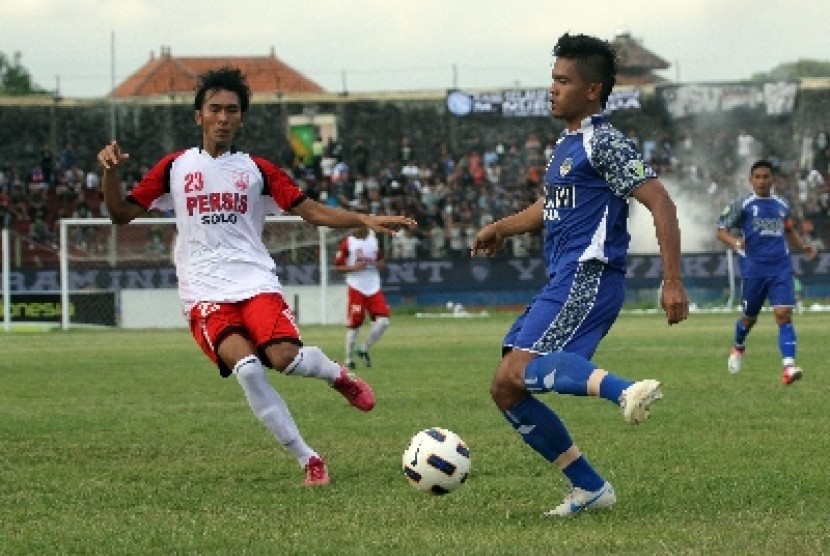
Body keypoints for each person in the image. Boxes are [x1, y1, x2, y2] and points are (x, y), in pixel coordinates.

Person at [97, 67, 416, 487]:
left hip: (254, 282)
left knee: (286, 359)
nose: (223, 117)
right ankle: (309, 460)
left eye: (232, 110)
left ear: (241, 119)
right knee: (248, 368)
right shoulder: (175, 167)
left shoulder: (257, 170)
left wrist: (363, 218)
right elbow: (120, 215)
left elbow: (312, 211)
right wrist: (110, 172)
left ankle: (338, 374)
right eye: (215, 109)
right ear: (199, 116)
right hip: (204, 290)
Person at [470, 33, 689, 517]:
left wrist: (672, 279)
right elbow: (551, 206)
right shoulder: (569, 145)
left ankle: (624, 391)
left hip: (587, 278)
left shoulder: (604, 142)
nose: (552, 88)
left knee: (521, 371)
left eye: (562, 80)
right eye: (553, 78)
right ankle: (589, 487)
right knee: (506, 386)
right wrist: (502, 228)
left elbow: (660, 200)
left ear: (592, 90)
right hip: (563, 280)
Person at [716, 159, 818, 384]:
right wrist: (736, 242)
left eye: (766, 177)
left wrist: (803, 247)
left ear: (773, 180)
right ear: (751, 179)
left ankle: (788, 367)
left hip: (780, 267)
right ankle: (738, 347)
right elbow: (720, 230)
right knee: (749, 318)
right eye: (758, 177)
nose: (762, 181)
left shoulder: (781, 205)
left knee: (783, 314)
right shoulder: (742, 203)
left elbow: (789, 230)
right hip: (753, 269)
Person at [333, 221, 390, 370]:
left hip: (373, 286)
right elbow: (338, 267)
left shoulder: (374, 239)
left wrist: (380, 264)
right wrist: (354, 267)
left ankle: (364, 348)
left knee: (383, 321)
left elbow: (381, 260)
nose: (355, 229)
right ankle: (348, 359)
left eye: (358, 225)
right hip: (356, 286)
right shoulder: (348, 243)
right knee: (355, 325)